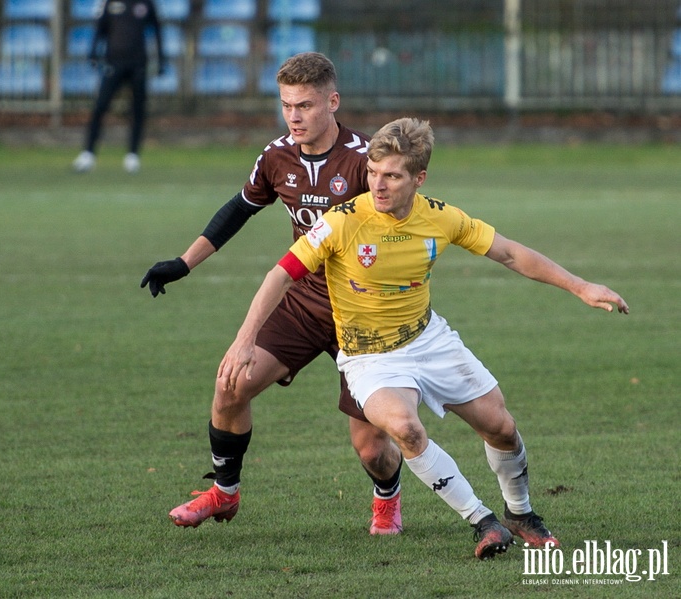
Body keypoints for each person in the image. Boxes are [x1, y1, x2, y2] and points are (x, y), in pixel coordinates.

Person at [216, 117, 629, 559]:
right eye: (373, 173)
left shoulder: (440, 217)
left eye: (392, 175)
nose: (378, 184)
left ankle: (520, 514)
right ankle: (483, 522)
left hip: (429, 340)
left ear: (419, 178)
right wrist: (245, 339)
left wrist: (581, 286)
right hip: (369, 357)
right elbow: (280, 274)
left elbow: (509, 252)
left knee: (502, 428)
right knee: (406, 429)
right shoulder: (342, 221)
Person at [141, 53, 405, 535]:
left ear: (333, 101)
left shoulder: (367, 160)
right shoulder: (277, 156)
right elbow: (237, 210)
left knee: (371, 448)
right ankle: (224, 493)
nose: (295, 116)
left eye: (305, 105)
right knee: (230, 385)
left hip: (362, 316)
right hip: (302, 304)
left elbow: (402, 233)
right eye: (286, 105)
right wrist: (183, 262)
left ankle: (387, 497)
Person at [72, 0, 165, 174]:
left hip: (138, 64)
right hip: (113, 63)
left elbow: (156, 30)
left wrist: (161, 59)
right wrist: (93, 53)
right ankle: (88, 154)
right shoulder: (110, 3)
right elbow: (101, 29)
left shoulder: (146, 3)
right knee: (100, 107)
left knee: (138, 109)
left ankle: (133, 156)